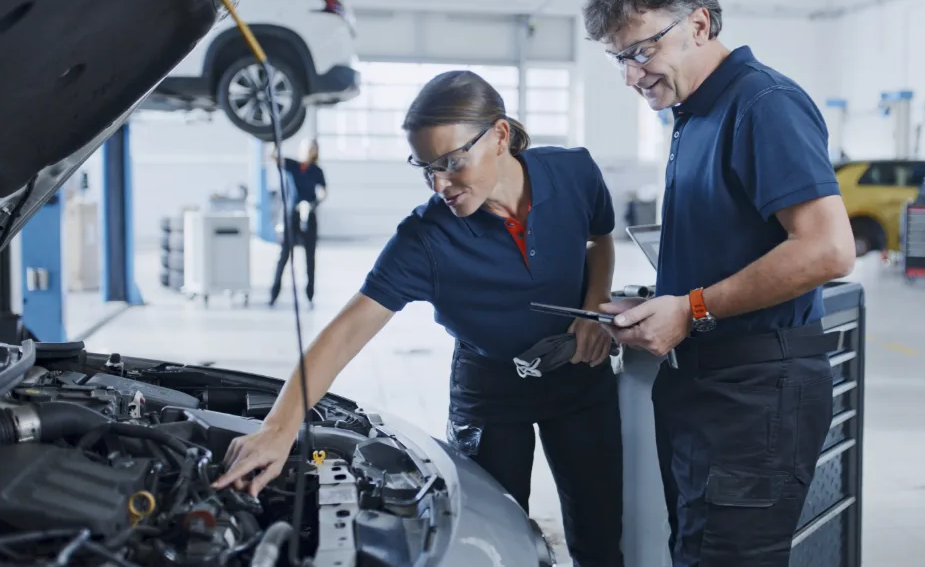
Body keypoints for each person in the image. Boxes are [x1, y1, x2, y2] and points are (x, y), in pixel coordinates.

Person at [216, 71, 625, 567]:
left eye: (453, 163)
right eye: (426, 168)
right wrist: (279, 428)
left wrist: (595, 307)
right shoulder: (425, 239)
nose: (440, 185)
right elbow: (346, 331)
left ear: (499, 136)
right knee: (495, 544)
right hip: (490, 393)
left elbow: (599, 238)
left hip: (579, 376)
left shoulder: (574, 171)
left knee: (599, 537)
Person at [581, 0, 856, 566]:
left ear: (699, 23)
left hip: (756, 397)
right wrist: (661, 304)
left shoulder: (763, 105)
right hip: (706, 390)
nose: (630, 73)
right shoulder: (693, 112)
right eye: (617, 57)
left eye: (642, 49)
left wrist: (694, 308)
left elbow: (828, 249)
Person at [270, 138, 327, 308]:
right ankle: (273, 294)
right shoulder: (291, 165)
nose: (310, 150)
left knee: (310, 258)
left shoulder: (317, 171)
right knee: (284, 256)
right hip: (290, 216)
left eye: (313, 148)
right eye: (307, 147)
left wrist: (313, 204)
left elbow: (324, 192)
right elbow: (273, 156)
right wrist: (276, 140)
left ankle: (310, 296)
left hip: (308, 215)